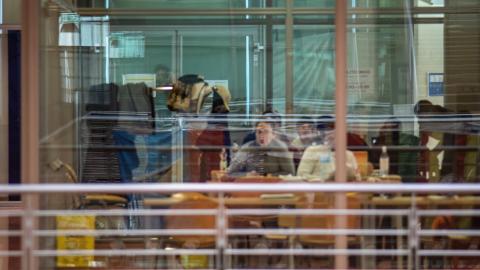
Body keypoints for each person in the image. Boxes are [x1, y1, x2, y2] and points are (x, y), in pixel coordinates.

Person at [227, 120, 295, 177]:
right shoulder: (247, 148)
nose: (261, 136)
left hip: (274, 188)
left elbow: (290, 173)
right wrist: (246, 175)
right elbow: (230, 173)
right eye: (259, 132)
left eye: (266, 132)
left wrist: (270, 175)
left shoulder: (280, 148)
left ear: (273, 135)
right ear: (255, 133)